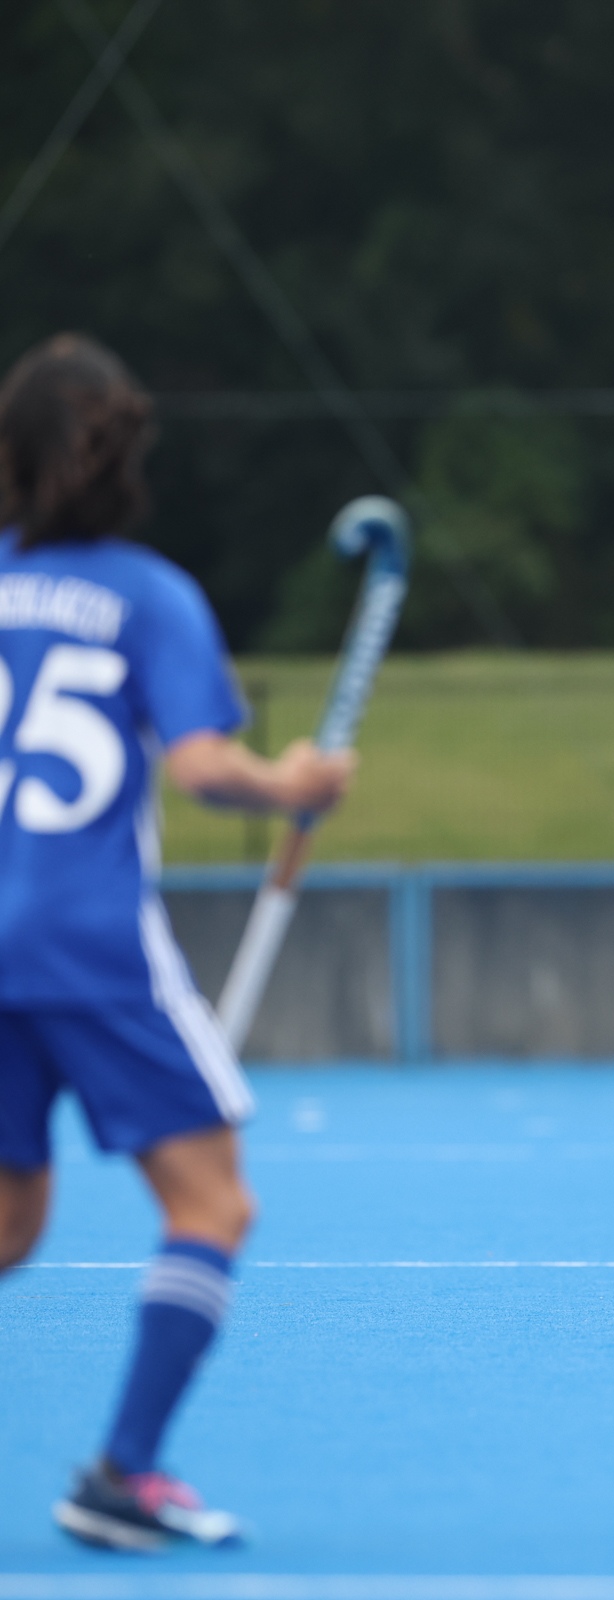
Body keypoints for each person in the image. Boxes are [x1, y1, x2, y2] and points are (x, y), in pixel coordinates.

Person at [0, 335, 354, 1551]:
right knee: (212, 1202)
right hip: (87, 942)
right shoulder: (148, 596)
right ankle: (126, 1471)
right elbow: (202, 768)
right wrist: (293, 782)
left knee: (10, 1226)